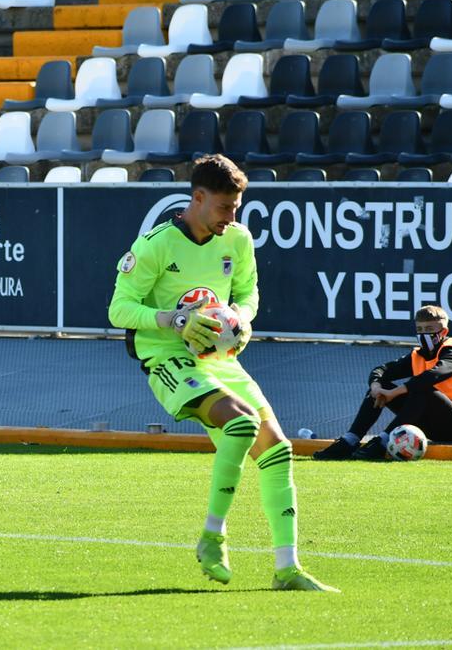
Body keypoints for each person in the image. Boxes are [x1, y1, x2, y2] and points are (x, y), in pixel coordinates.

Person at [107, 154, 337, 593]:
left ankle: (287, 569)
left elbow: (249, 292)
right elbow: (118, 310)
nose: (232, 217)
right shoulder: (155, 245)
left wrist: (243, 318)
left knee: (278, 449)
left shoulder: (238, 239)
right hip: (167, 358)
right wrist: (173, 320)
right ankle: (213, 536)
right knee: (240, 422)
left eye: (237, 207)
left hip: (219, 359)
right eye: (224, 207)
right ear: (197, 197)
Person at [313, 305, 452, 461]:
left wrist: (395, 393)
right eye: (420, 329)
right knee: (382, 387)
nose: (424, 334)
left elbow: (433, 376)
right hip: (431, 424)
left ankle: (382, 442)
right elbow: (381, 370)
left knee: (423, 390)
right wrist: (376, 387)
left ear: (444, 332)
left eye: (430, 329)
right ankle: (350, 440)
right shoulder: (417, 355)